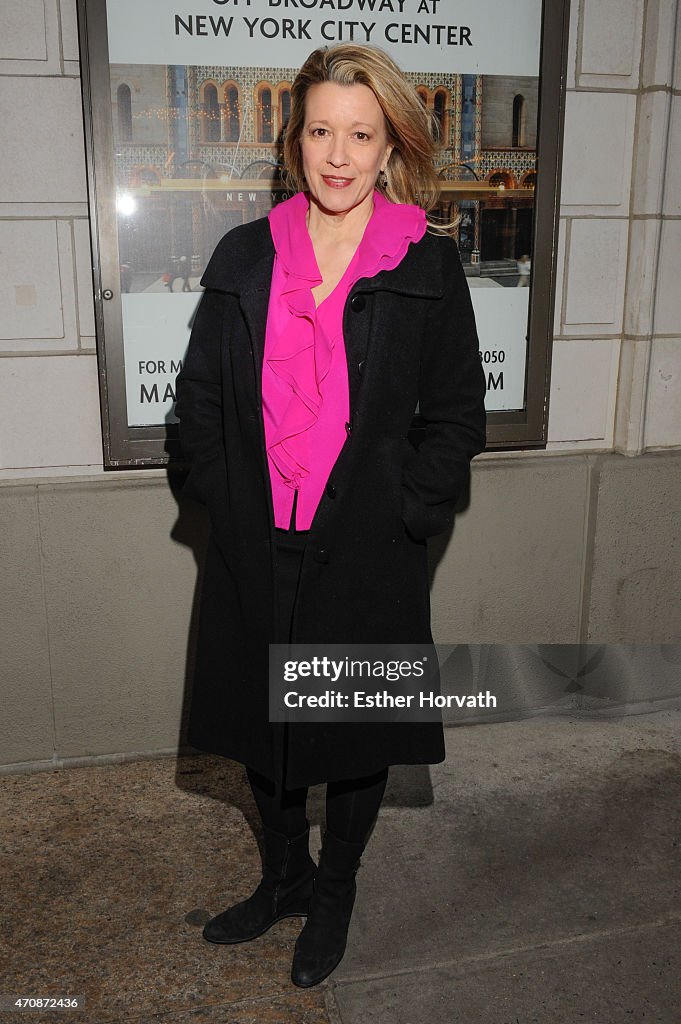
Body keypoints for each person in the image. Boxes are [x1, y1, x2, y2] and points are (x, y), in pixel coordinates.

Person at [174, 44, 487, 988]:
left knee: (350, 736)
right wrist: (217, 505)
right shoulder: (245, 253)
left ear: (389, 145)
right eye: (321, 131)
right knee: (264, 731)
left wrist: (408, 517)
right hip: (255, 539)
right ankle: (285, 878)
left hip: (365, 546)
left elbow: (455, 414)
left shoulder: (426, 261)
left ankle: (337, 889)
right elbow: (198, 403)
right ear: (294, 140)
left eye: (361, 134)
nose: (339, 155)